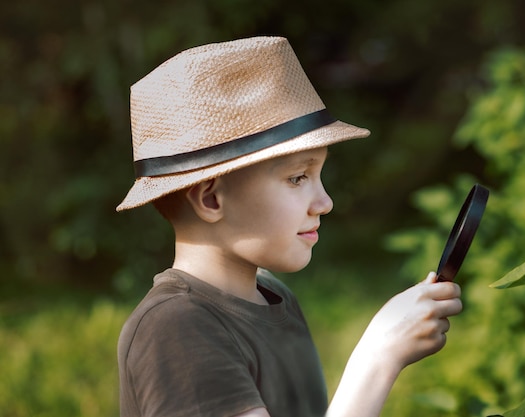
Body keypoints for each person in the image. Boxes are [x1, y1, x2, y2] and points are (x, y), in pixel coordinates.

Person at [116, 36, 463, 417]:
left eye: (318, 174)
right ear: (211, 198)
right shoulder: (176, 330)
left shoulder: (274, 297)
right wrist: (379, 355)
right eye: (298, 177)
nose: (325, 202)